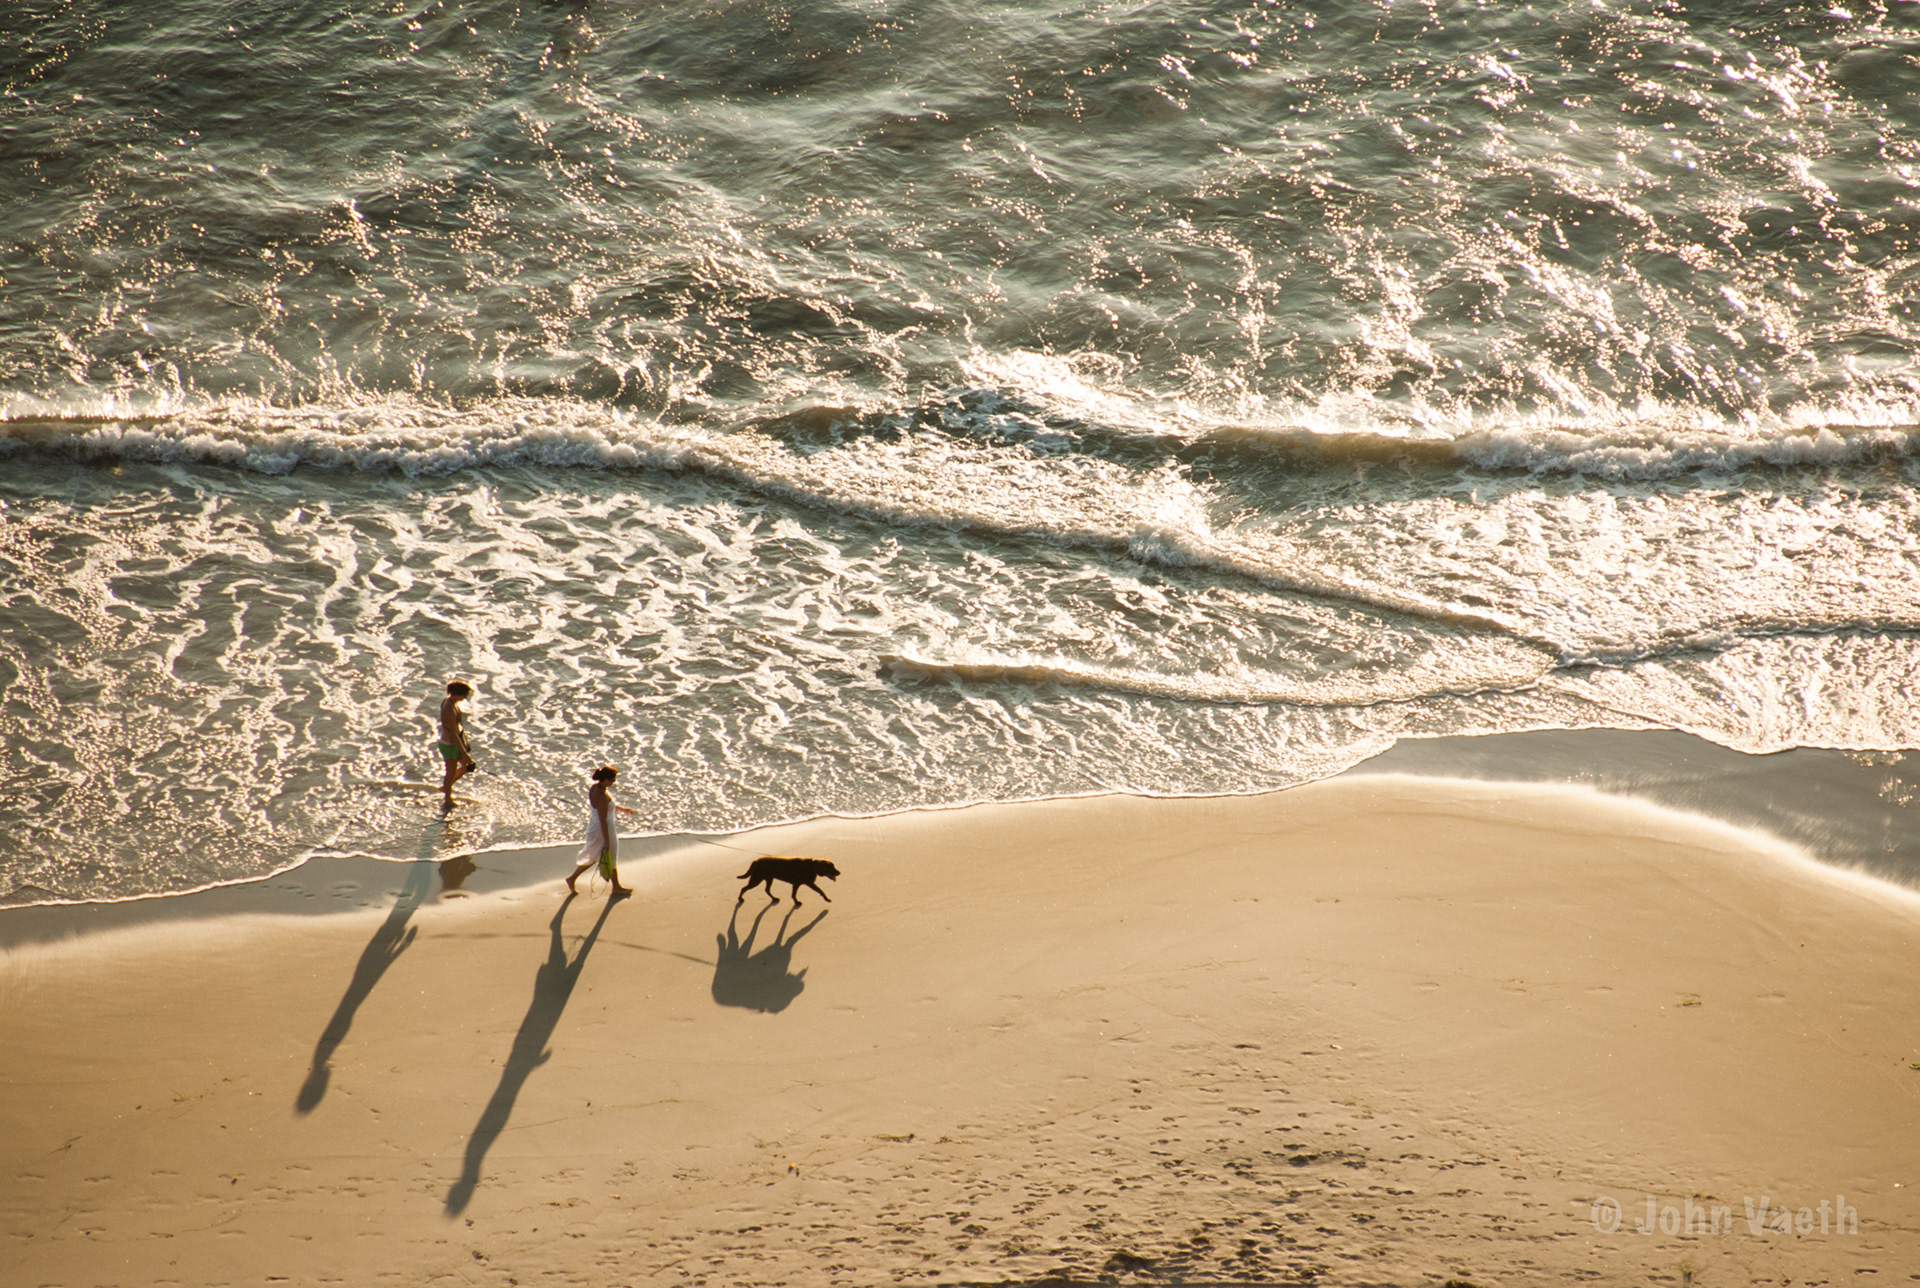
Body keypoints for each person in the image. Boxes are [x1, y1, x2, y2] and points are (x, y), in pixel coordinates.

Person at [567, 765, 636, 897]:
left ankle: (572, 879)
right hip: (602, 829)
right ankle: (616, 887)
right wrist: (607, 840)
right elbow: (603, 820)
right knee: (608, 855)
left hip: (596, 826)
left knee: (595, 856)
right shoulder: (600, 795)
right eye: (611, 780)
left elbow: (607, 807)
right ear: (604, 780)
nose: (613, 782)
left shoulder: (597, 788)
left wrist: (623, 810)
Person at [437, 681, 477, 804]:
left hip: (455, 742)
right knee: (451, 772)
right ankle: (447, 799)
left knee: (467, 767)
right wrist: (464, 753)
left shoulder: (453, 703)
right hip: (450, 745)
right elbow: (453, 734)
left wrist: (465, 744)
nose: (465, 698)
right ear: (458, 694)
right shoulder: (448, 707)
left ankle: (446, 787)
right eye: (464, 695)